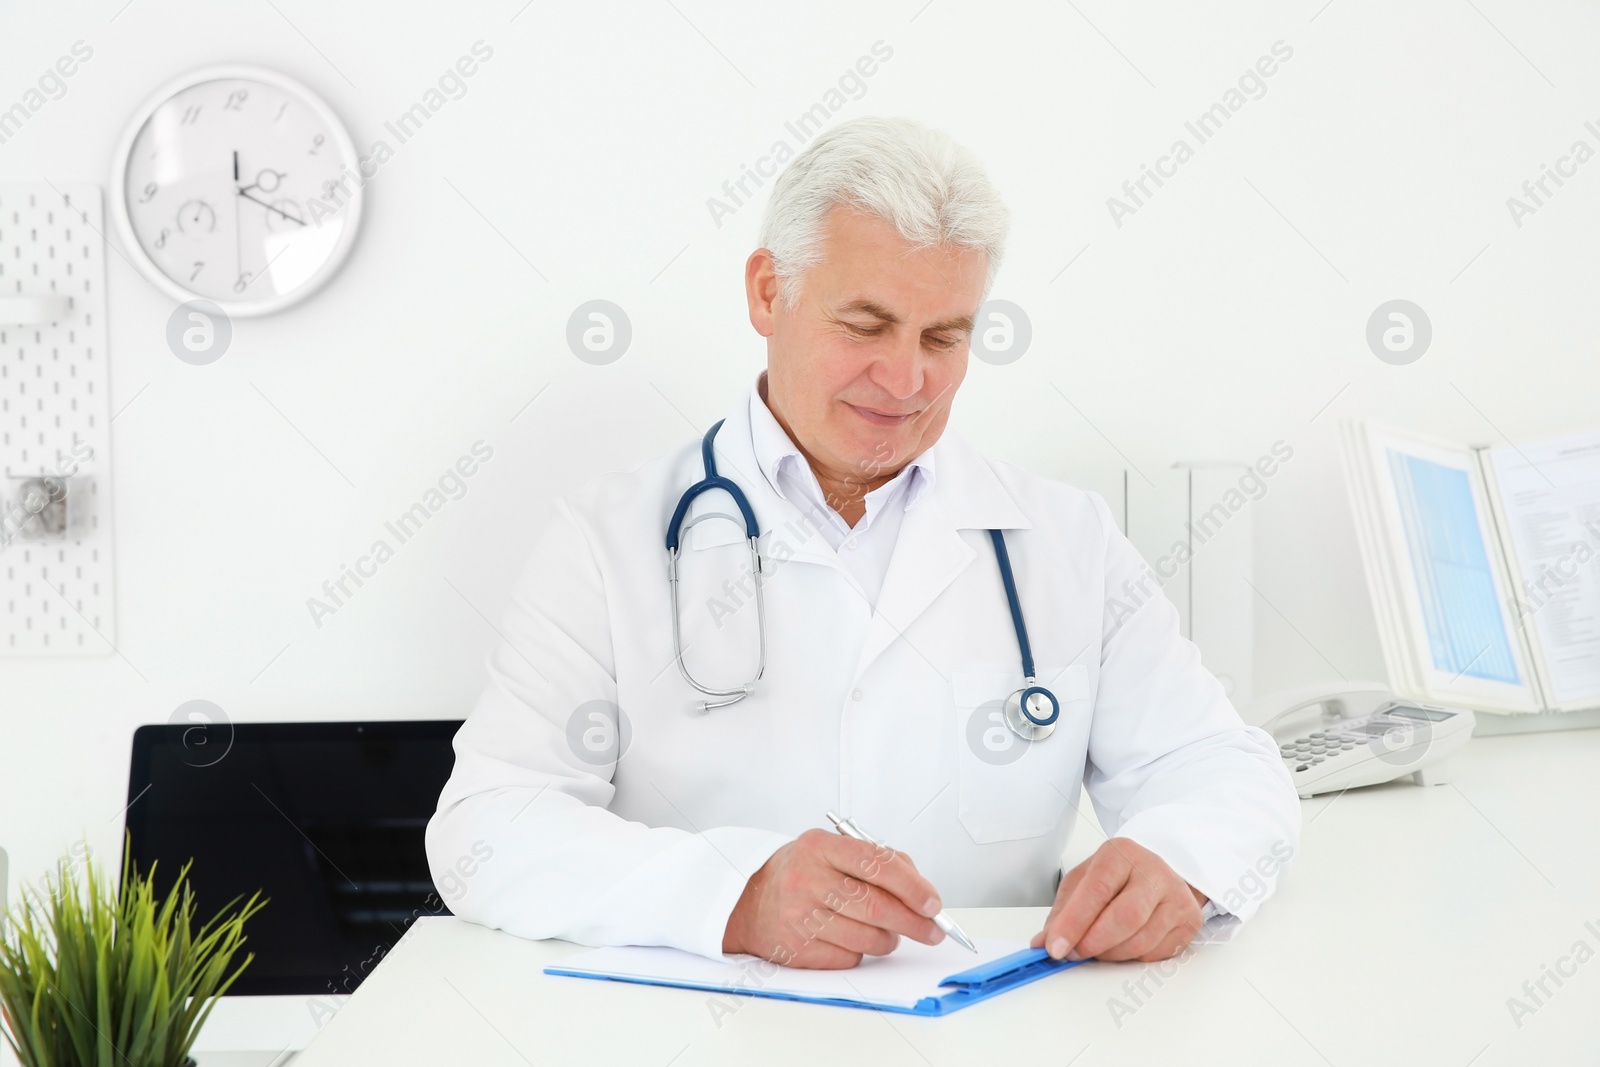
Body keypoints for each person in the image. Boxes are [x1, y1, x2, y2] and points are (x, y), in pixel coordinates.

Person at [426, 116, 1299, 969]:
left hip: (982, 1033)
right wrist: (732, 896)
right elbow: (488, 823)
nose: (907, 377)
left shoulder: (1062, 541)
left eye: (944, 337)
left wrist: (1179, 860)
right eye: (866, 325)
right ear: (769, 292)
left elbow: (1222, 766)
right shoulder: (605, 540)